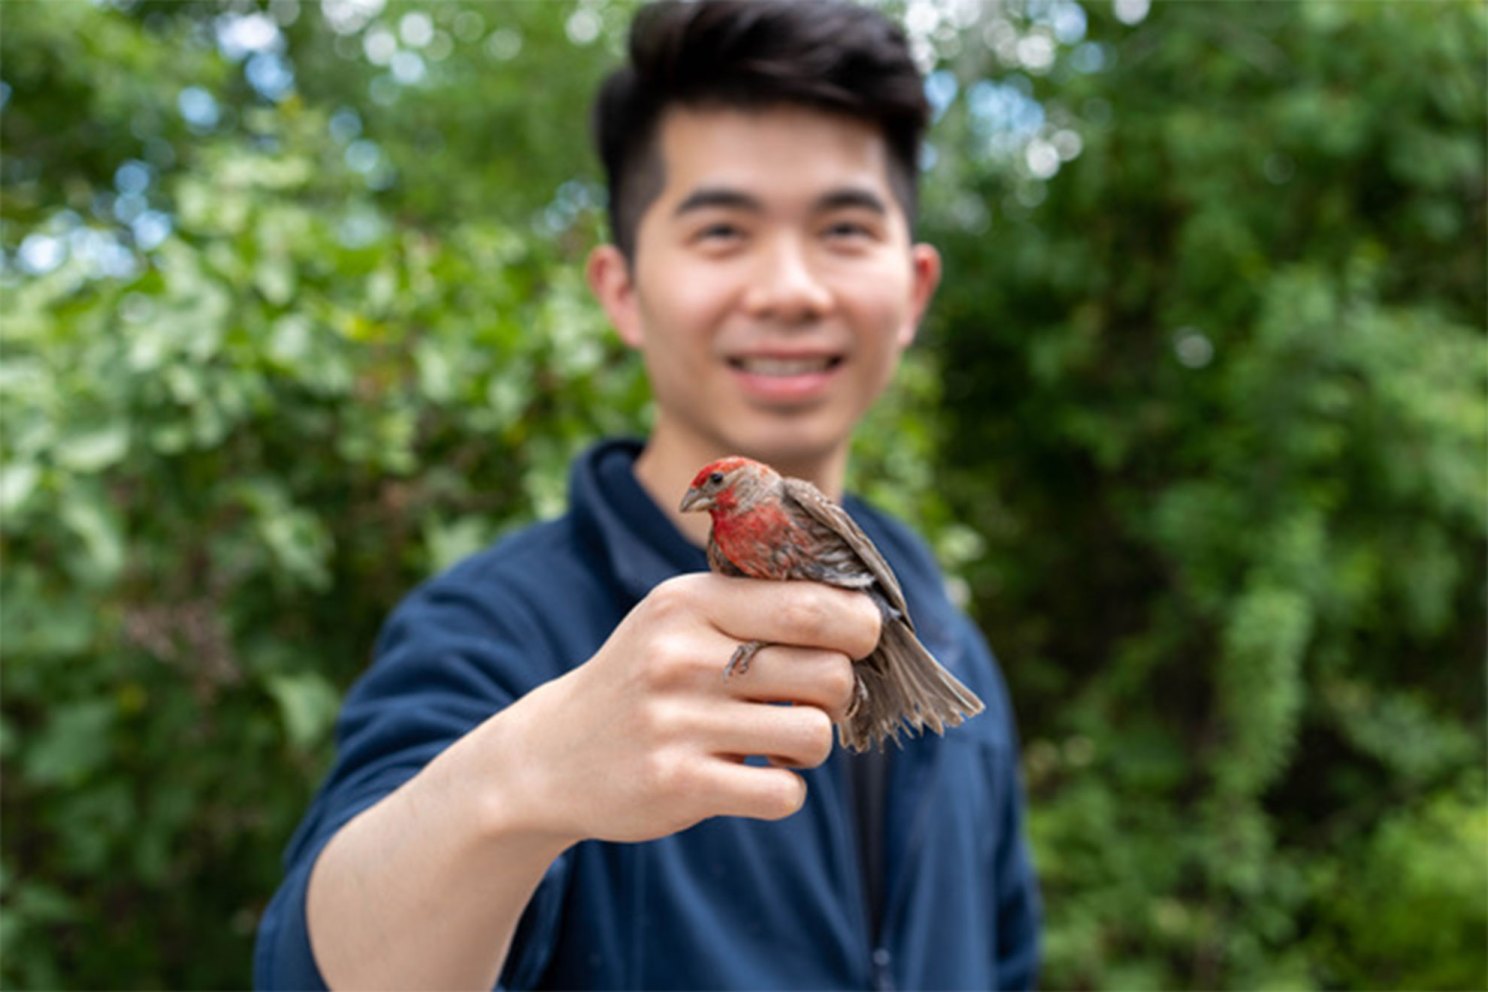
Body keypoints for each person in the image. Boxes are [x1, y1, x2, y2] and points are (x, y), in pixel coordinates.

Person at [254, 1, 1041, 988]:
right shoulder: (493, 626)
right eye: (723, 230)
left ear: (915, 289)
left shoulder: (949, 629)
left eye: (843, 227)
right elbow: (316, 963)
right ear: (620, 288)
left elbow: (1005, 958)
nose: (789, 287)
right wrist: (520, 781)